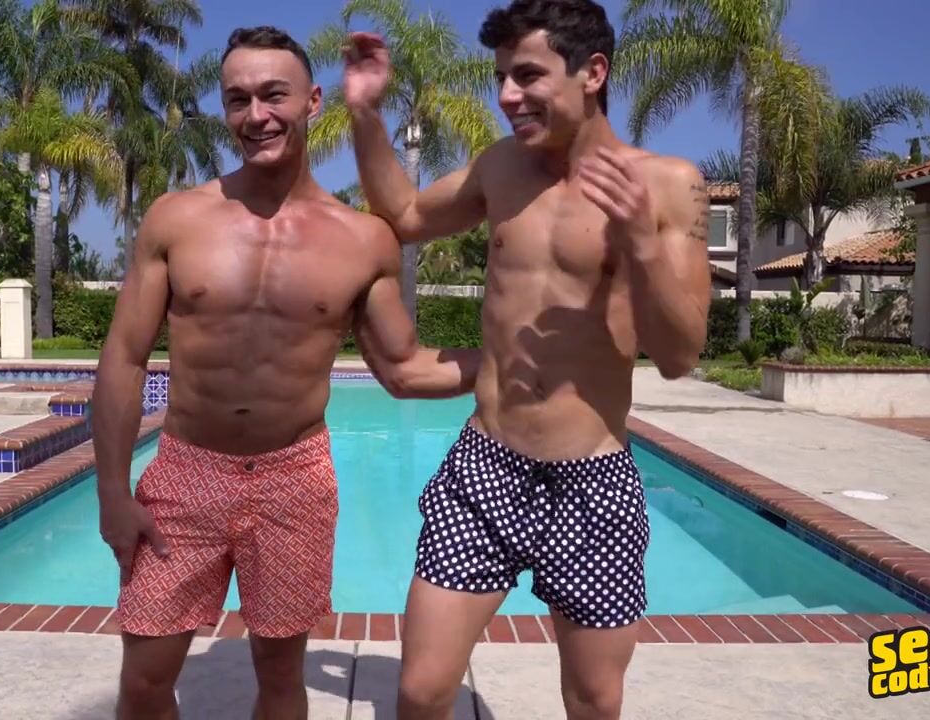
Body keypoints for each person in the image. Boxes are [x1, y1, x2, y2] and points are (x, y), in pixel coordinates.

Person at [91, 25, 483, 720]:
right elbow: (124, 358)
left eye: (274, 95)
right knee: (145, 680)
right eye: (237, 99)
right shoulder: (177, 219)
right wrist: (112, 494)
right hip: (186, 471)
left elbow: (403, 368)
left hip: (294, 478)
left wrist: (516, 361)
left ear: (313, 101)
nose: (256, 115)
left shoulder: (363, 238)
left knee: (279, 678)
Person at [339, 0, 712, 717]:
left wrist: (639, 246)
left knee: (594, 700)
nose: (508, 96)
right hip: (486, 468)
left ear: (593, 73)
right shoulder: (501, 167)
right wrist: (364, 114)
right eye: (501, 78)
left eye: (529, 75)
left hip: (593, 483)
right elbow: (407, 217)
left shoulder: (669, 183)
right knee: (420, 690)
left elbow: (679, 356)